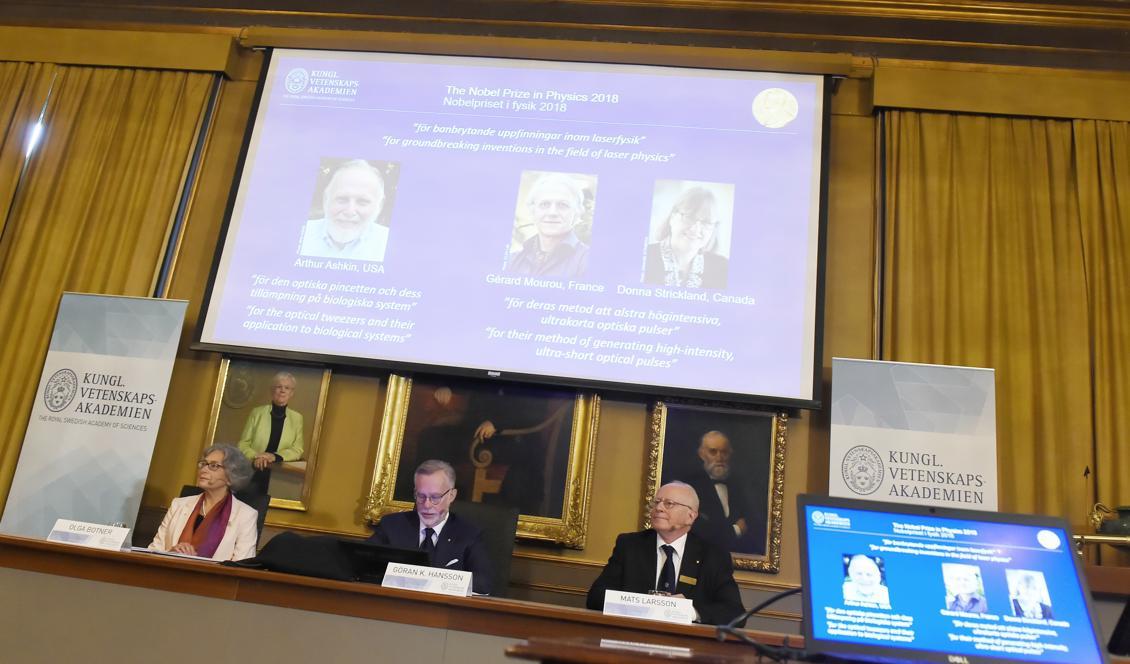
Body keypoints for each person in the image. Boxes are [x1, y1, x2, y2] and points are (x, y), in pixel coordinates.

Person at [586, 481, 745, 625]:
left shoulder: (713, 556)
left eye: (669, 503)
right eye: (656, 502)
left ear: (691, 516)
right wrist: (646, 605)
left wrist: (691, 612)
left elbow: (735, 613)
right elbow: (596, 597)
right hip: (633, 637)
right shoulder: (630, 545)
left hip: (687, 647)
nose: (659, 508)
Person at [368, 459, 494, 595]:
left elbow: (483, 583)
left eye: (435, 497)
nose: (427, 505)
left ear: (451, 496)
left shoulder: (469, 534)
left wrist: (434, 580)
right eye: (421, 496)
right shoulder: (392, 525)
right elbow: (361, 563)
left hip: (445, 611)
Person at [148, 444, 258, 561]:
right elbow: (153, 550)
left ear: (231, 476)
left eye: (214, 466)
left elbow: (242, 565)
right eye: (203, 464)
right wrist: (171, 554)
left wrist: (196, 562)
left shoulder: (246, 515)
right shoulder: (178, 504)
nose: (204, 469)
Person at [682, 431, 766, 555]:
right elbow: (698, 531)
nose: (719, 458)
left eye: (724, 452)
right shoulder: (689, 487)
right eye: (713, 452)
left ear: (730, 454)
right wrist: (736, 530)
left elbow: (755, 526)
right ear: (702, 454)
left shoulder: (740, 487)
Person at [299, 159, 390, 262]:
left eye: (362, 202)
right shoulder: (300, 234)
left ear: (380, 205)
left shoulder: (389, 244)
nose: (350, 212)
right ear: (325, 199)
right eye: (342, 199)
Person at [505, 173, 590, 278]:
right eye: (544, 204)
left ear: (577, 213)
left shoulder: (588, 261)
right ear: (533, 212)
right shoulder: (512, 259)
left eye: (562, 205)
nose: (552, 212)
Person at [643, 186, 729, 289]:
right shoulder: (644, 257)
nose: (696, 229)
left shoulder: (723, 269)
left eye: (706, 222)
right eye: (689, 217)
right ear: (672, 217)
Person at [237, 371, 305, 497]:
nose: (282, 391)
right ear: (272, 390)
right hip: (253, 470)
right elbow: (243, 444)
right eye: (279, 387)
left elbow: (297, 449)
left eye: (287, 388)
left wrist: (274, 457)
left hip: (280, 476)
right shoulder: (257, 412)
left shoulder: (297, 418)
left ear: (292, 393)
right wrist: (257, 456)